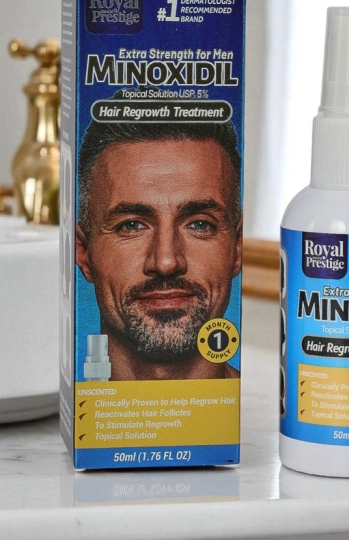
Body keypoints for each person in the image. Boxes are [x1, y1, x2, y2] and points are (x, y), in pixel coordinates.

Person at [76, 120, 242, 381]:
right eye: (131, 225)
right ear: (84, 252)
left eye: (200, 224)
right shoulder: (76, 406)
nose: (166, 262)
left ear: (237, 247)